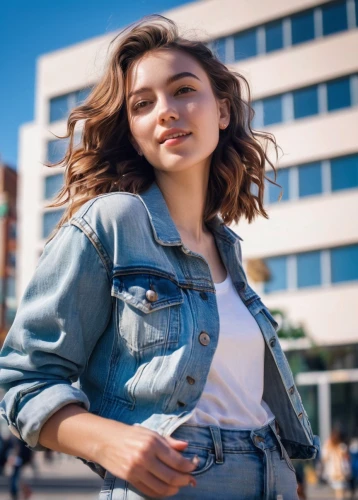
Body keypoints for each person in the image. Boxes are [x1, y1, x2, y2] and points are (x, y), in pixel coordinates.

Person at [0, 15, 319, 500]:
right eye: (143, 104)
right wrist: (111, 442)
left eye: (184, 90)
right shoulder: (112, 221)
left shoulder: (228, 249)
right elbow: (22, 379)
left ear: (224, 111)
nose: (166, 111)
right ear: (133, 130)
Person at [322, 429, 351, 499]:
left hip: (334, 471)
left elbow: (324, 458)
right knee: (340, 491)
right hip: (341, 471)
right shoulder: (342, 446)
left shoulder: (329, 446)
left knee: (339, 491)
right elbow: (346, 459)